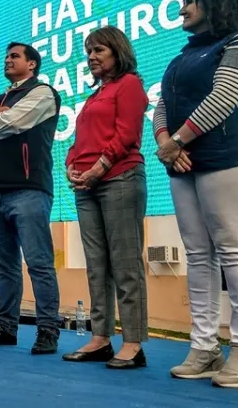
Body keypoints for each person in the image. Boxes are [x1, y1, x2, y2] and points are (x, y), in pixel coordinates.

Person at [154, 0, 238, 388]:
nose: (182, 10)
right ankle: (204, 347)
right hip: (183, 164)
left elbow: (225, 97)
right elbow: (162, 106)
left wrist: (178, 139)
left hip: (228, 158)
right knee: (199, 255)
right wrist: (167, 141)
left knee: (234, 249)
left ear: (214, 3)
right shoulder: (180, 59)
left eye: (190, 2)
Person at [0, 42, 62, 355]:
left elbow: (12, 124)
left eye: (15, 56)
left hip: (28, 190)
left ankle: (47, 331)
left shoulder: (43, 93)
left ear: (32, 64)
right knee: (3, 266)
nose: (7, 60)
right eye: (6, 56)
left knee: (39, 263)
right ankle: (5, 327)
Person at [60, 26, 149, 368]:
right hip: (86, 186)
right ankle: (100, 338)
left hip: (119, 179)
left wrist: (99, 167)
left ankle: (133, 343)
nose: (91, 57)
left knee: (125, 264)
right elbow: (80, 142)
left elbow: (127, 134)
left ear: (118, 51)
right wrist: (71, 165)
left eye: (99, 50)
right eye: (89, 52)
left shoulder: (130, 85)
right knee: (97, 266)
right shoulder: (95, 95)